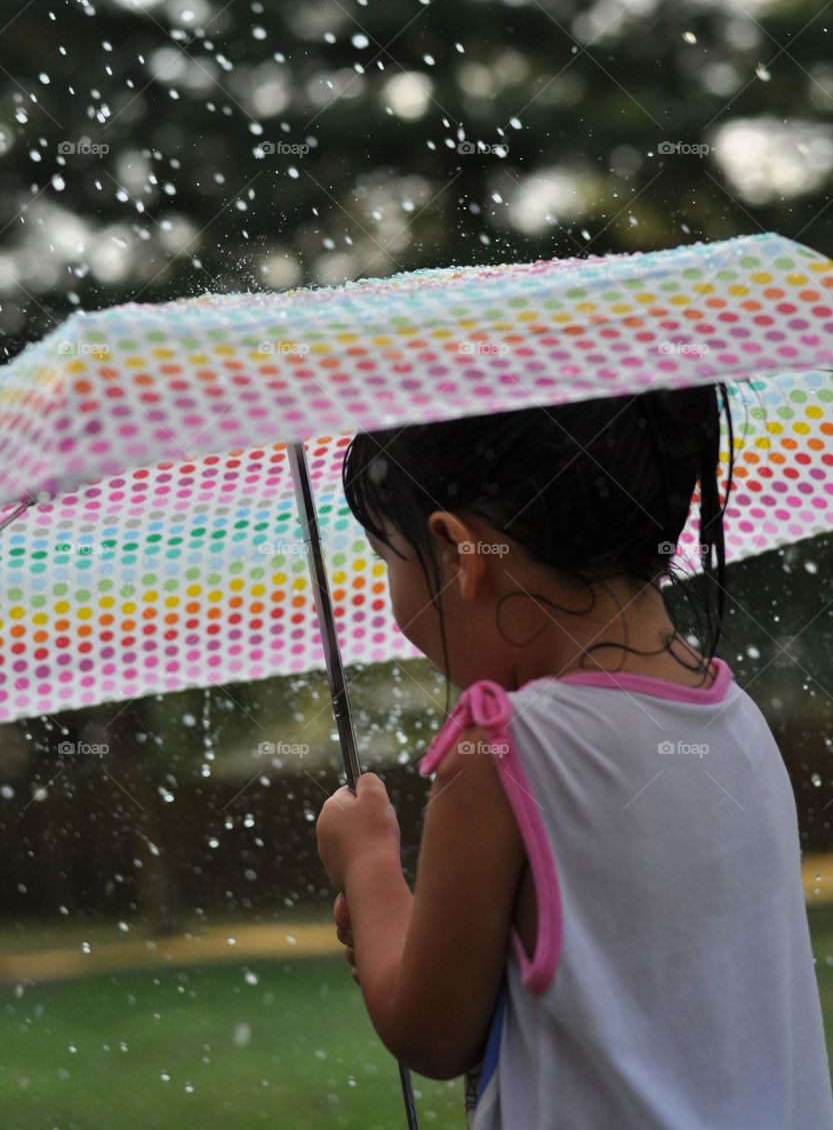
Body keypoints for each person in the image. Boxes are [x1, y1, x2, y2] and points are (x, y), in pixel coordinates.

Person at [315, 384, 833, 1128]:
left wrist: (365, 867)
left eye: (388, 557)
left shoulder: (502, 747)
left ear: (463, 555)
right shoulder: (739, 724)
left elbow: (431, 1030)